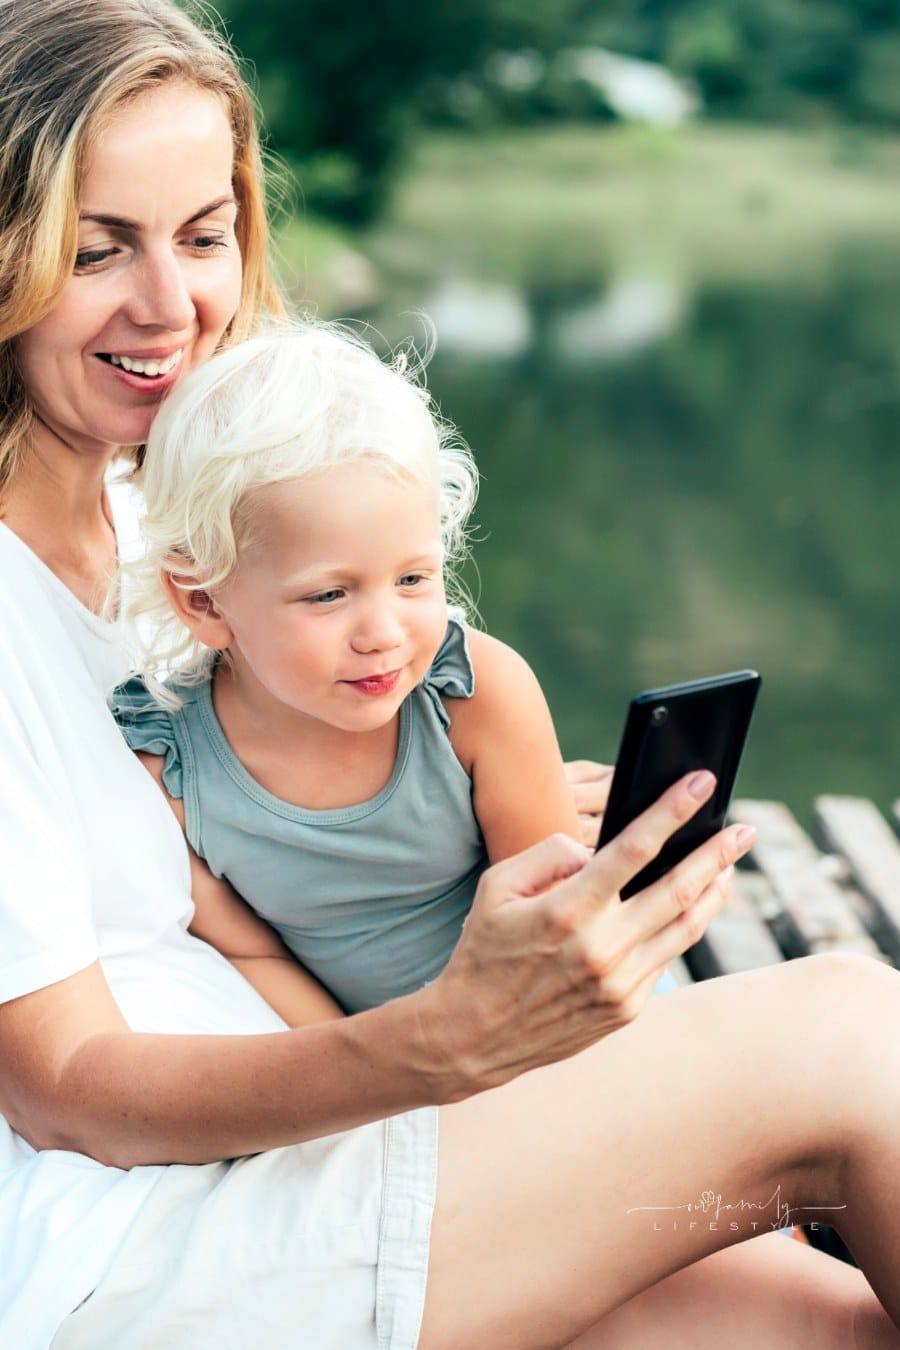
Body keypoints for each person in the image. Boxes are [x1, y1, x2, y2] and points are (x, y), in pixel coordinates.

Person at [3, 2, 900, 1348]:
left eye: (202, 235)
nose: (173, 304)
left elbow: (260, 793)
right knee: (848, 1028)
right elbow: (64, 1085)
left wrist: (481, 803)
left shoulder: (165, 527)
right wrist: (445, 1040)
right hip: (133, 1244)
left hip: (323, 1143)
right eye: (95, 249)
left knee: (826, 1322)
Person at [112, 324, 582, 1013]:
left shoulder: (476, 698)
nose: (384, 635)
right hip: (367, 1074)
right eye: (329, 594)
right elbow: (251, 951)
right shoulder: (172, 770)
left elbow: (553, 919)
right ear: (205, 600)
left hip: (540, 1021)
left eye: (414, 578)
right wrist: (372, 1079)